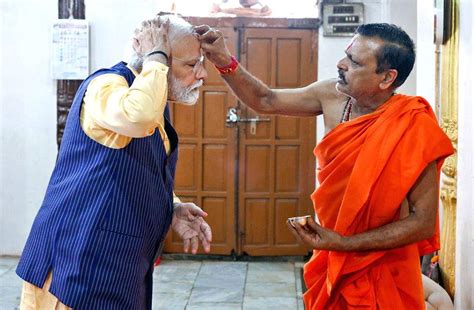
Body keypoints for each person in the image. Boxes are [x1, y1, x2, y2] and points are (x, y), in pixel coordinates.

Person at [195, 23, 454, 309]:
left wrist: (344, 243)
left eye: (354, 62)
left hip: (384, 265)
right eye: (346, 54)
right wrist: (224, 61)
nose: (341, 64)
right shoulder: (332, 96)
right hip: (332, 254)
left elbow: (422, 223)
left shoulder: (414, 125)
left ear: (386, 78)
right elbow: (265, 99)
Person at [16, 14, 212, 309]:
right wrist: (156, 57)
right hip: (78, 263)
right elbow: (138, 117)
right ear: (153, 59)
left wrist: (170, 207)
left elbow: (136, 166)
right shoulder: (106, 85)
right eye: (191, 64)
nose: (202, 75)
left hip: (116, 264)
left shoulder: (150, 96)